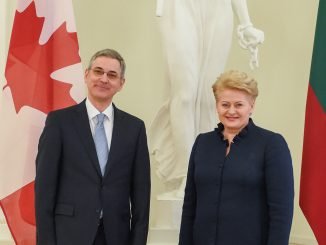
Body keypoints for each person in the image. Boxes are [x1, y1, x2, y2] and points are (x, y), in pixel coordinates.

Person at [35, 49, 151, 245]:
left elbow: (141, 195)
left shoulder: (135, 128)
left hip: (116, 236)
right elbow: (44, 190)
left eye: (112, 75)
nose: (104, 79)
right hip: (69, 235)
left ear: (121, 84)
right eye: (98, 71)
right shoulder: (59, 123)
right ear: (87, 75)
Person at [150, 0, 264, 198]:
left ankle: (203, 172)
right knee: (184, 95)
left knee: (208, 97)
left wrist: (246, 23)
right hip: (180, 7)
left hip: (218, 8)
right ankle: (187, 172)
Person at [179, 70, 294, 244]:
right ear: (217, 105)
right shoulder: (202, 142)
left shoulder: (272, 144)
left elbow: (281, 213)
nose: (231, 111)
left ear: (251, 106)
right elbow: (190, 206)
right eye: (225, 104)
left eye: (239, 105)